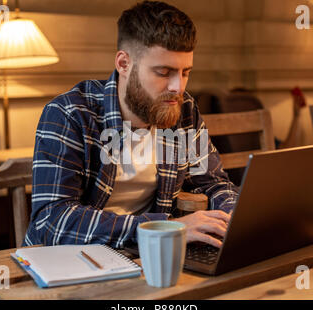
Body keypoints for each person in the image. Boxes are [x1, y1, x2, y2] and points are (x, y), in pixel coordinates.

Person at [23, 1, 238, 249]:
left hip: (145, 255)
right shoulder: (69, 114)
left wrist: (232, 216)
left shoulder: (184, 110)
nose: (178, 87)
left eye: (185, 72)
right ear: (124, 64)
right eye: (164, 72)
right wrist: (166, 229)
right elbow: (53, 221)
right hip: (71, 264)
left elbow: (212, 183)